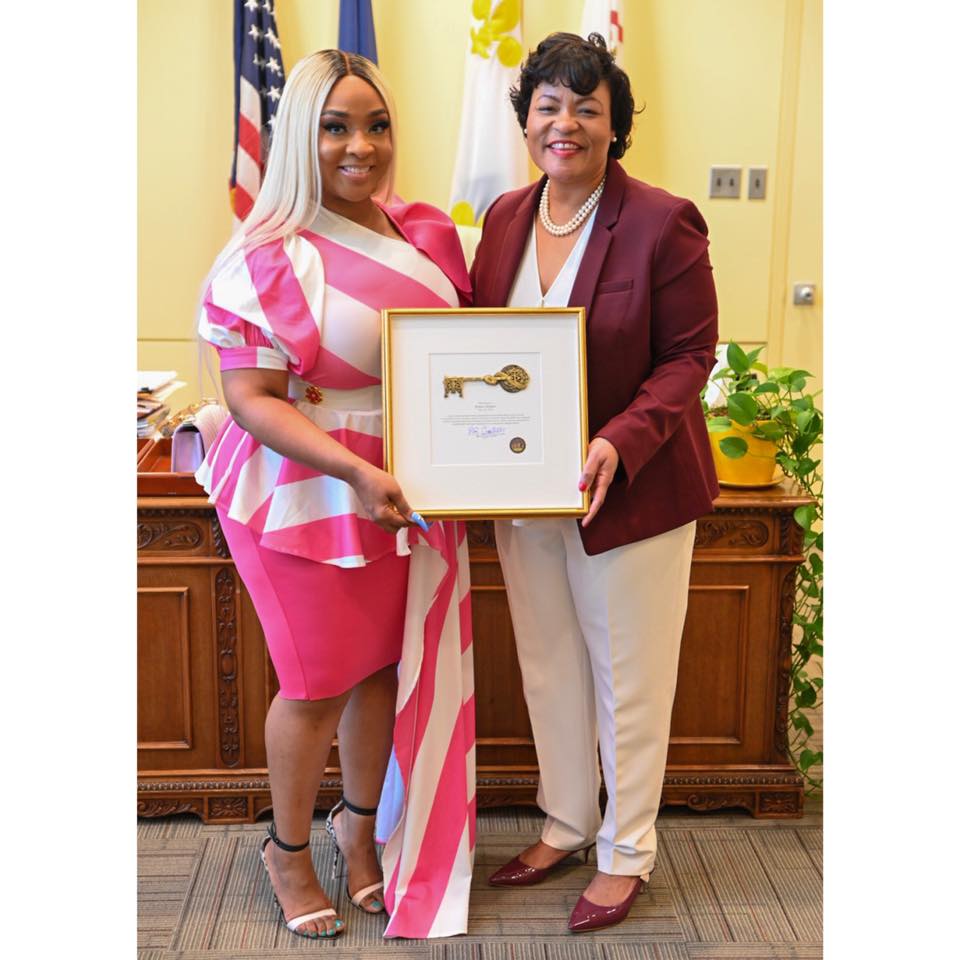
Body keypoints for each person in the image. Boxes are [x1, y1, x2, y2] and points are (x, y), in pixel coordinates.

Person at [195, 50, 473, 941]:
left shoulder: (426, 234)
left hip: (409, 482)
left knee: (381, 670)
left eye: (376, 124)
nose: (362, 146)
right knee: (315, 681)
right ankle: (286, 849)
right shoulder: (264, 257)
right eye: (336, 126)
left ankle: (360, 835)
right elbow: (250, 399)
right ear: (297, 138)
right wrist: (356, 470)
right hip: (302, 488)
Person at [470, 33, 720, 933]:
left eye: (586, 107)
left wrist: (619, 438)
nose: (564, 123)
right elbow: (473, 350)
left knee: (628, 678)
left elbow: (690, 355)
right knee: (548, 665)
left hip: (633, 494)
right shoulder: (501, 218)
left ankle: (627, 849)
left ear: (615, 127)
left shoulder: (661, 219)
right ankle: (568, 820)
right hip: (525, 493)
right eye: (548, 105)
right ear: (526, 118)